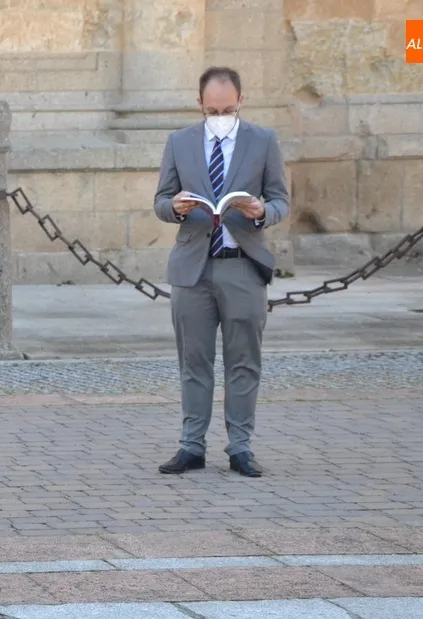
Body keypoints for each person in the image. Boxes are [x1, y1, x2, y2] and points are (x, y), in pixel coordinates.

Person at [153, 66, 290, 478]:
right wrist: (174, 207)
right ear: (199, 104)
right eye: (213, 109)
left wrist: (262, 210)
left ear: (241, 102)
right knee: (193, 362)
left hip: (242, 266)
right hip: (192, 268)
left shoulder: (263, 141)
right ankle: (191, 446)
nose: (220, 114)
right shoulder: (179, 142)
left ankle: (240, 448)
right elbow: (161, 200)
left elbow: (281, 201)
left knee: (243, 361)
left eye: (228, 108)